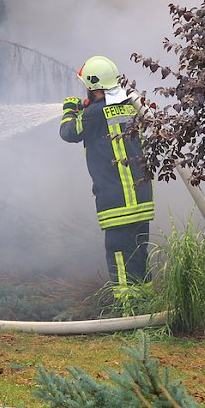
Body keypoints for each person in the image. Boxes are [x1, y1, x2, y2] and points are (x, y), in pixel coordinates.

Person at [59, 55, 154, 287]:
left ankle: (128, 310)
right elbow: (104, 112)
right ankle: (146, 305)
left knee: (120, 258)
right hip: (141, 200)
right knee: (139, 256)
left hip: (117, 201)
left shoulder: (93, 115)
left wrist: (70, 109)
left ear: (95, 88)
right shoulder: (130, 106)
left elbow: (68, 132)